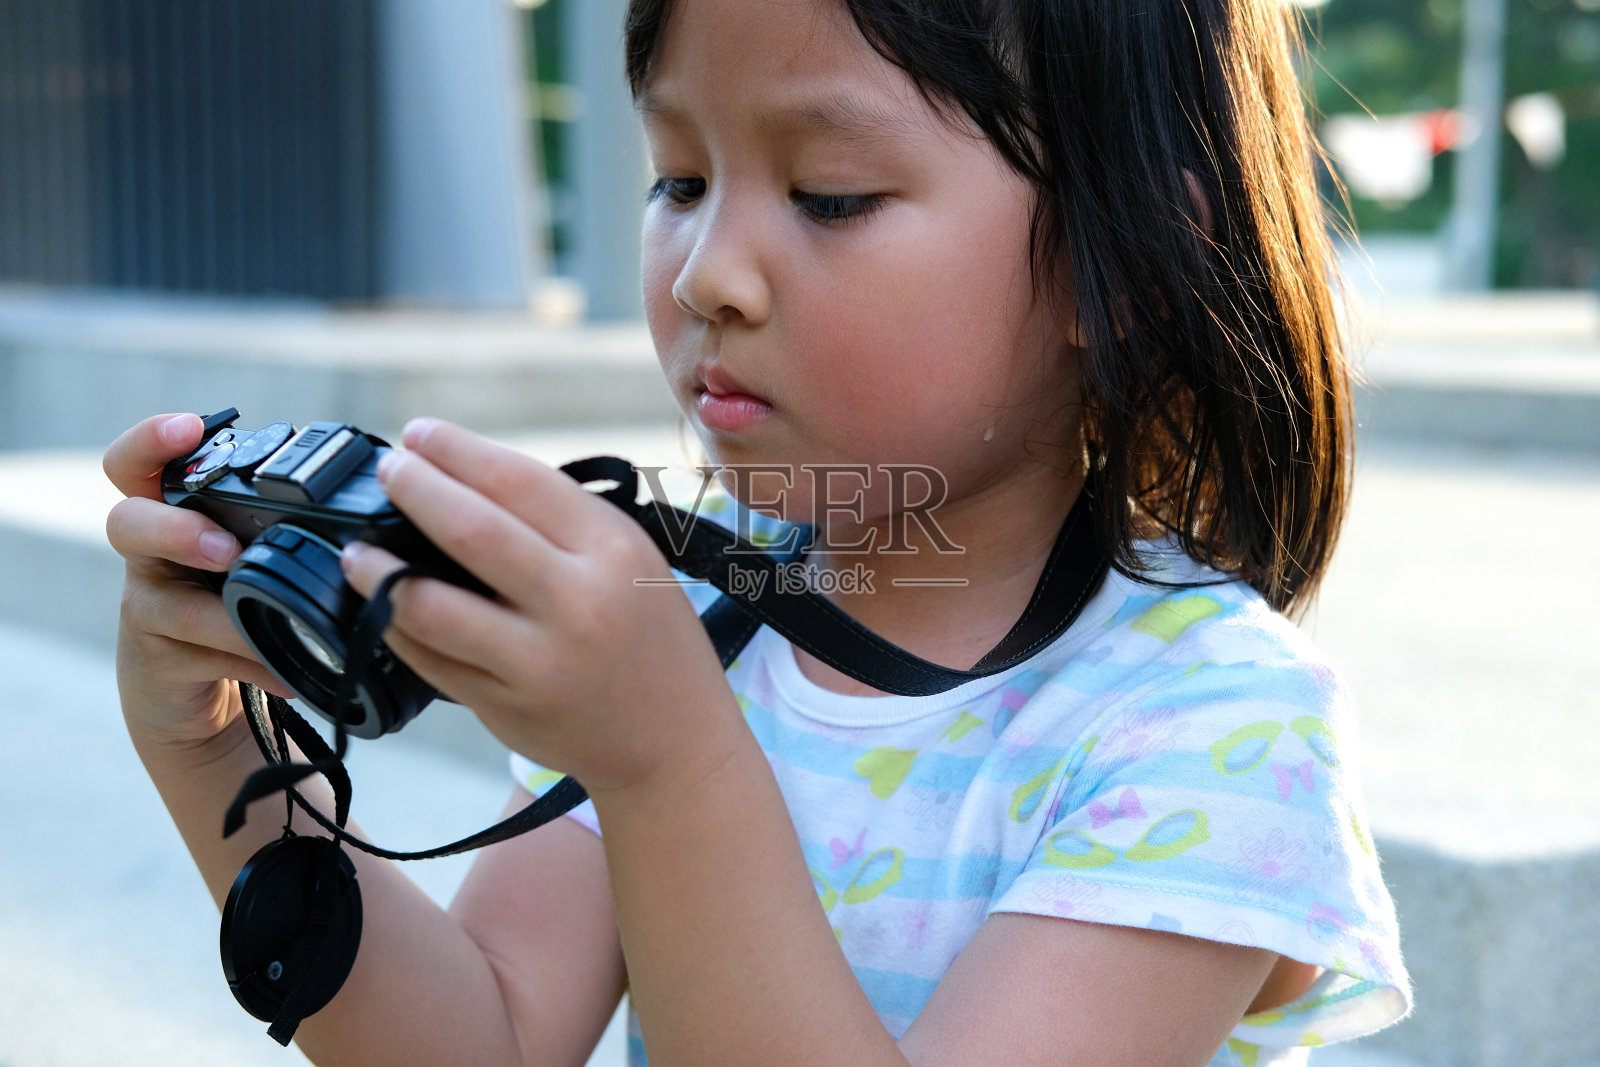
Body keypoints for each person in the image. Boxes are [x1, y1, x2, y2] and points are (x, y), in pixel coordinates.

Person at [102, 0, 1412, 1063]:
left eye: (830, 194)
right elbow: (489, 1036)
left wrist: (667, 759)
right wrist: (212, 748)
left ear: (1116, 268)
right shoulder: (700, 615)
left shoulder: (1212, 728)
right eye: (680, 176)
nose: (705, 274)